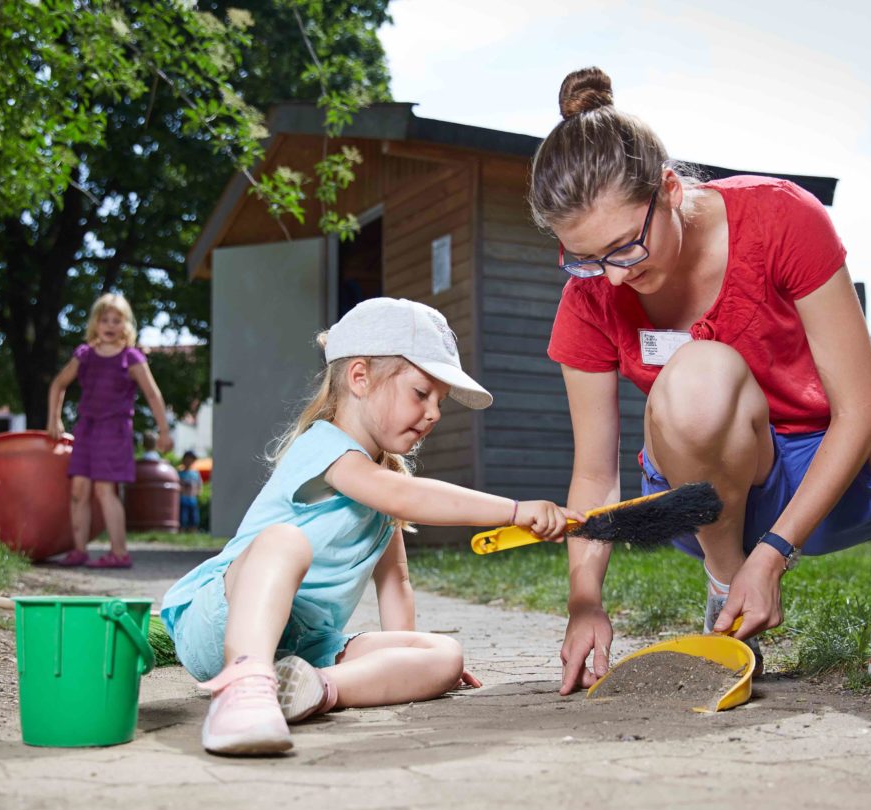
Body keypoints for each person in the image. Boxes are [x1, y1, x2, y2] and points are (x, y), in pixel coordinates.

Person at [528, 68, 871, 696]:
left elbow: (859, 410)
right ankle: (726, 597)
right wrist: (585, 602)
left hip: (837, 467)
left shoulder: (779, 217)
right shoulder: (590, 298)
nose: (609, 278)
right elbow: (594, 476)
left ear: (668, 189)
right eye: (582, 258)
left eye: (624, 248)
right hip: (709, 499)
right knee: (698, 376)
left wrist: (774, 554)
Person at [161, 298, 580, 757]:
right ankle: (242, 687)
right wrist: (514, 511)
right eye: (422, 393)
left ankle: (314, 690)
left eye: (440, 402)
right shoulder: (327, 448)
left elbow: (396, 582)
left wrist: (405, 664)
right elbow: (404, 496)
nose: (435, 413)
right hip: (222, 620)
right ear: (360, 378)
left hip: (308, 647)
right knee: (283, 542)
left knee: (443, 655)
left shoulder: (382, 487)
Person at [47, 293, 172, 569]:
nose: (111, 325)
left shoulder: (131, 357)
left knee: (106, 490)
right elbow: (58, 384)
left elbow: (152, 395)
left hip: (114, 431)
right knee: (79, 489)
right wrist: (54, 420)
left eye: (117, 320)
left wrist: (164, 431)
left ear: (126, 324)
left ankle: (119, 553)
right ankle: (79, 550)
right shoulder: (85, 355)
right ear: (96, 322)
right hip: (86, 429)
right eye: (105, 319)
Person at [177, 450, 203, 533]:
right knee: (182, 519)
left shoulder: (195, 473)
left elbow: (199, 484)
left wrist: (198, 491)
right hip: (183, 499)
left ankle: (193, 532)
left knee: (194, 519)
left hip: (192, 499)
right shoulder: (179, 473)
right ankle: (182, 532)